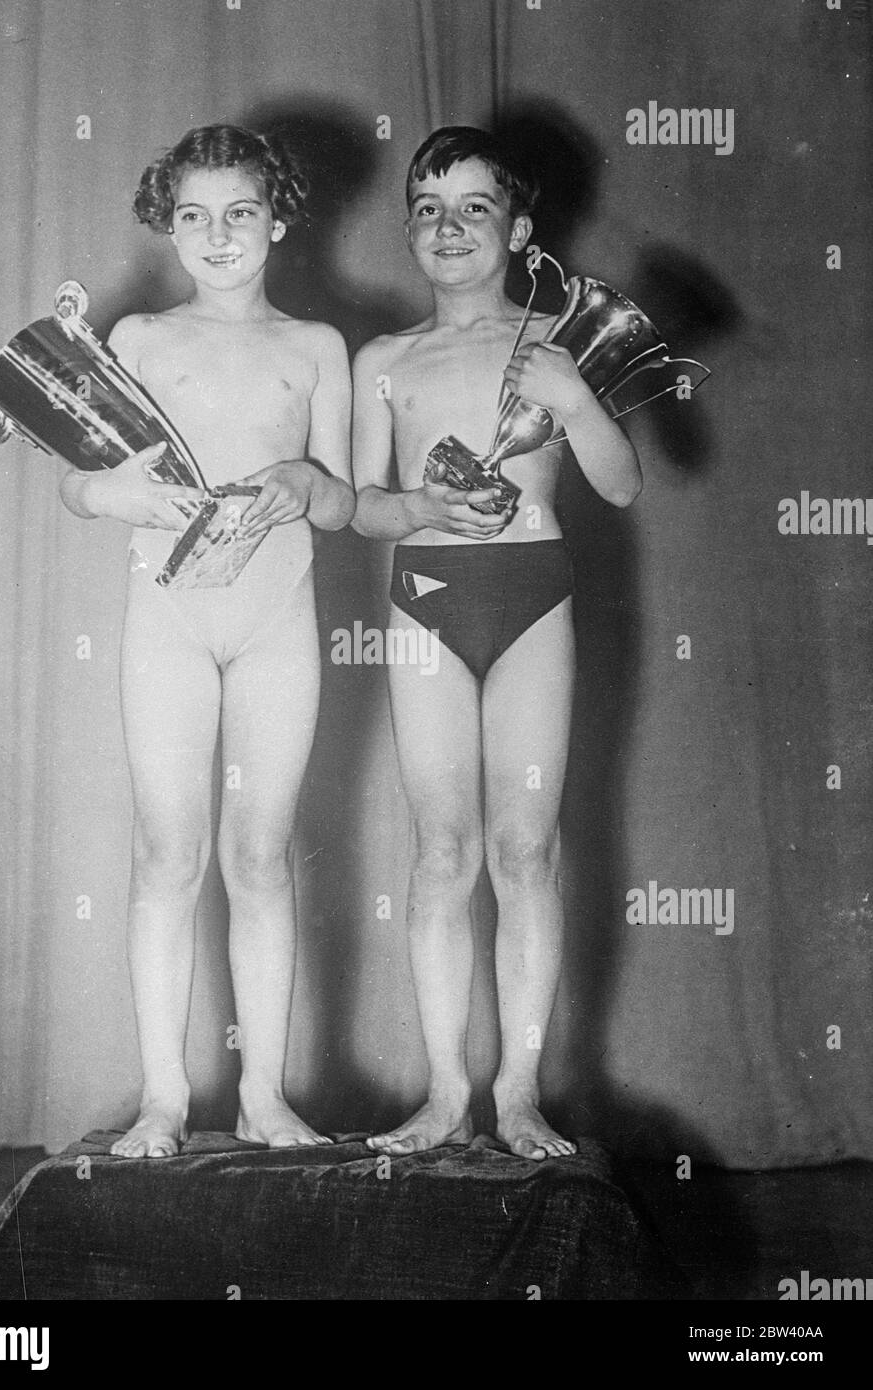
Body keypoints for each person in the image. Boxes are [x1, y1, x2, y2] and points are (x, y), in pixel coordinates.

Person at [59, 124, 354, 1157]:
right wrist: (114, 493)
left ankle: (265, 1098)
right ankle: (163, 1100)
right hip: (170, 619)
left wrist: (304, 481)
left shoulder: (317, 347)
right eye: (194, 215)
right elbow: (76, 480)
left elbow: (342, 502)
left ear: (278, 221)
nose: (218, 234)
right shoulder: (138, 337)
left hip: (277, 619)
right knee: (166, 852)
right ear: (168, 225)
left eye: (240, 213)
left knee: (262, 855)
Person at [351, 126, 641, 1160]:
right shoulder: (384, 361)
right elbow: (361, 506)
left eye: (475, 207)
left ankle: (517, 1093)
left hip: (532, 598)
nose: (448, 226)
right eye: (427, 209)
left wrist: (573, 401)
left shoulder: (558, 345)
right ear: (408, 230)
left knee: (524, 850)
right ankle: (445, 1094)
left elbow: (620, 484)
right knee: (442, 852)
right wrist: (419, 505)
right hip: (426, 598)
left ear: (518, 230)